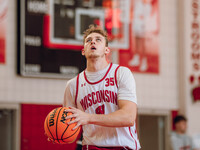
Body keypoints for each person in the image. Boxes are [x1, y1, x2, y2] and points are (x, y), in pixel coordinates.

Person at [63, 24, 141, 150]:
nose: (92, 41)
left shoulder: (121, 73)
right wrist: (57, 132)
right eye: (88, 40)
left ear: (106, 50)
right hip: (91, 147)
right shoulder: (73, 85)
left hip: (123, 147)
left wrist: (88, 118)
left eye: (98, 39)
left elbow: (129, 117)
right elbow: (68, 126)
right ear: (83, 51)